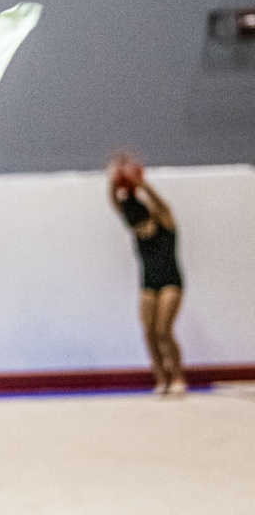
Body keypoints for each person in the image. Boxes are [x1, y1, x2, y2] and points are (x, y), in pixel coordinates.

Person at [108, 154, 186, 395]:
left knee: (164, 330)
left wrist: (143, 185)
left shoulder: (165, 223)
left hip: (171, 281)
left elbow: (164, 207)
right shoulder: (136, 227)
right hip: (149, 282)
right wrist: (114, 178)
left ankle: (177, 376)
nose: (138, 228)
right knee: (149, 333)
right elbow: (115, 202)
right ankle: (161, 378)